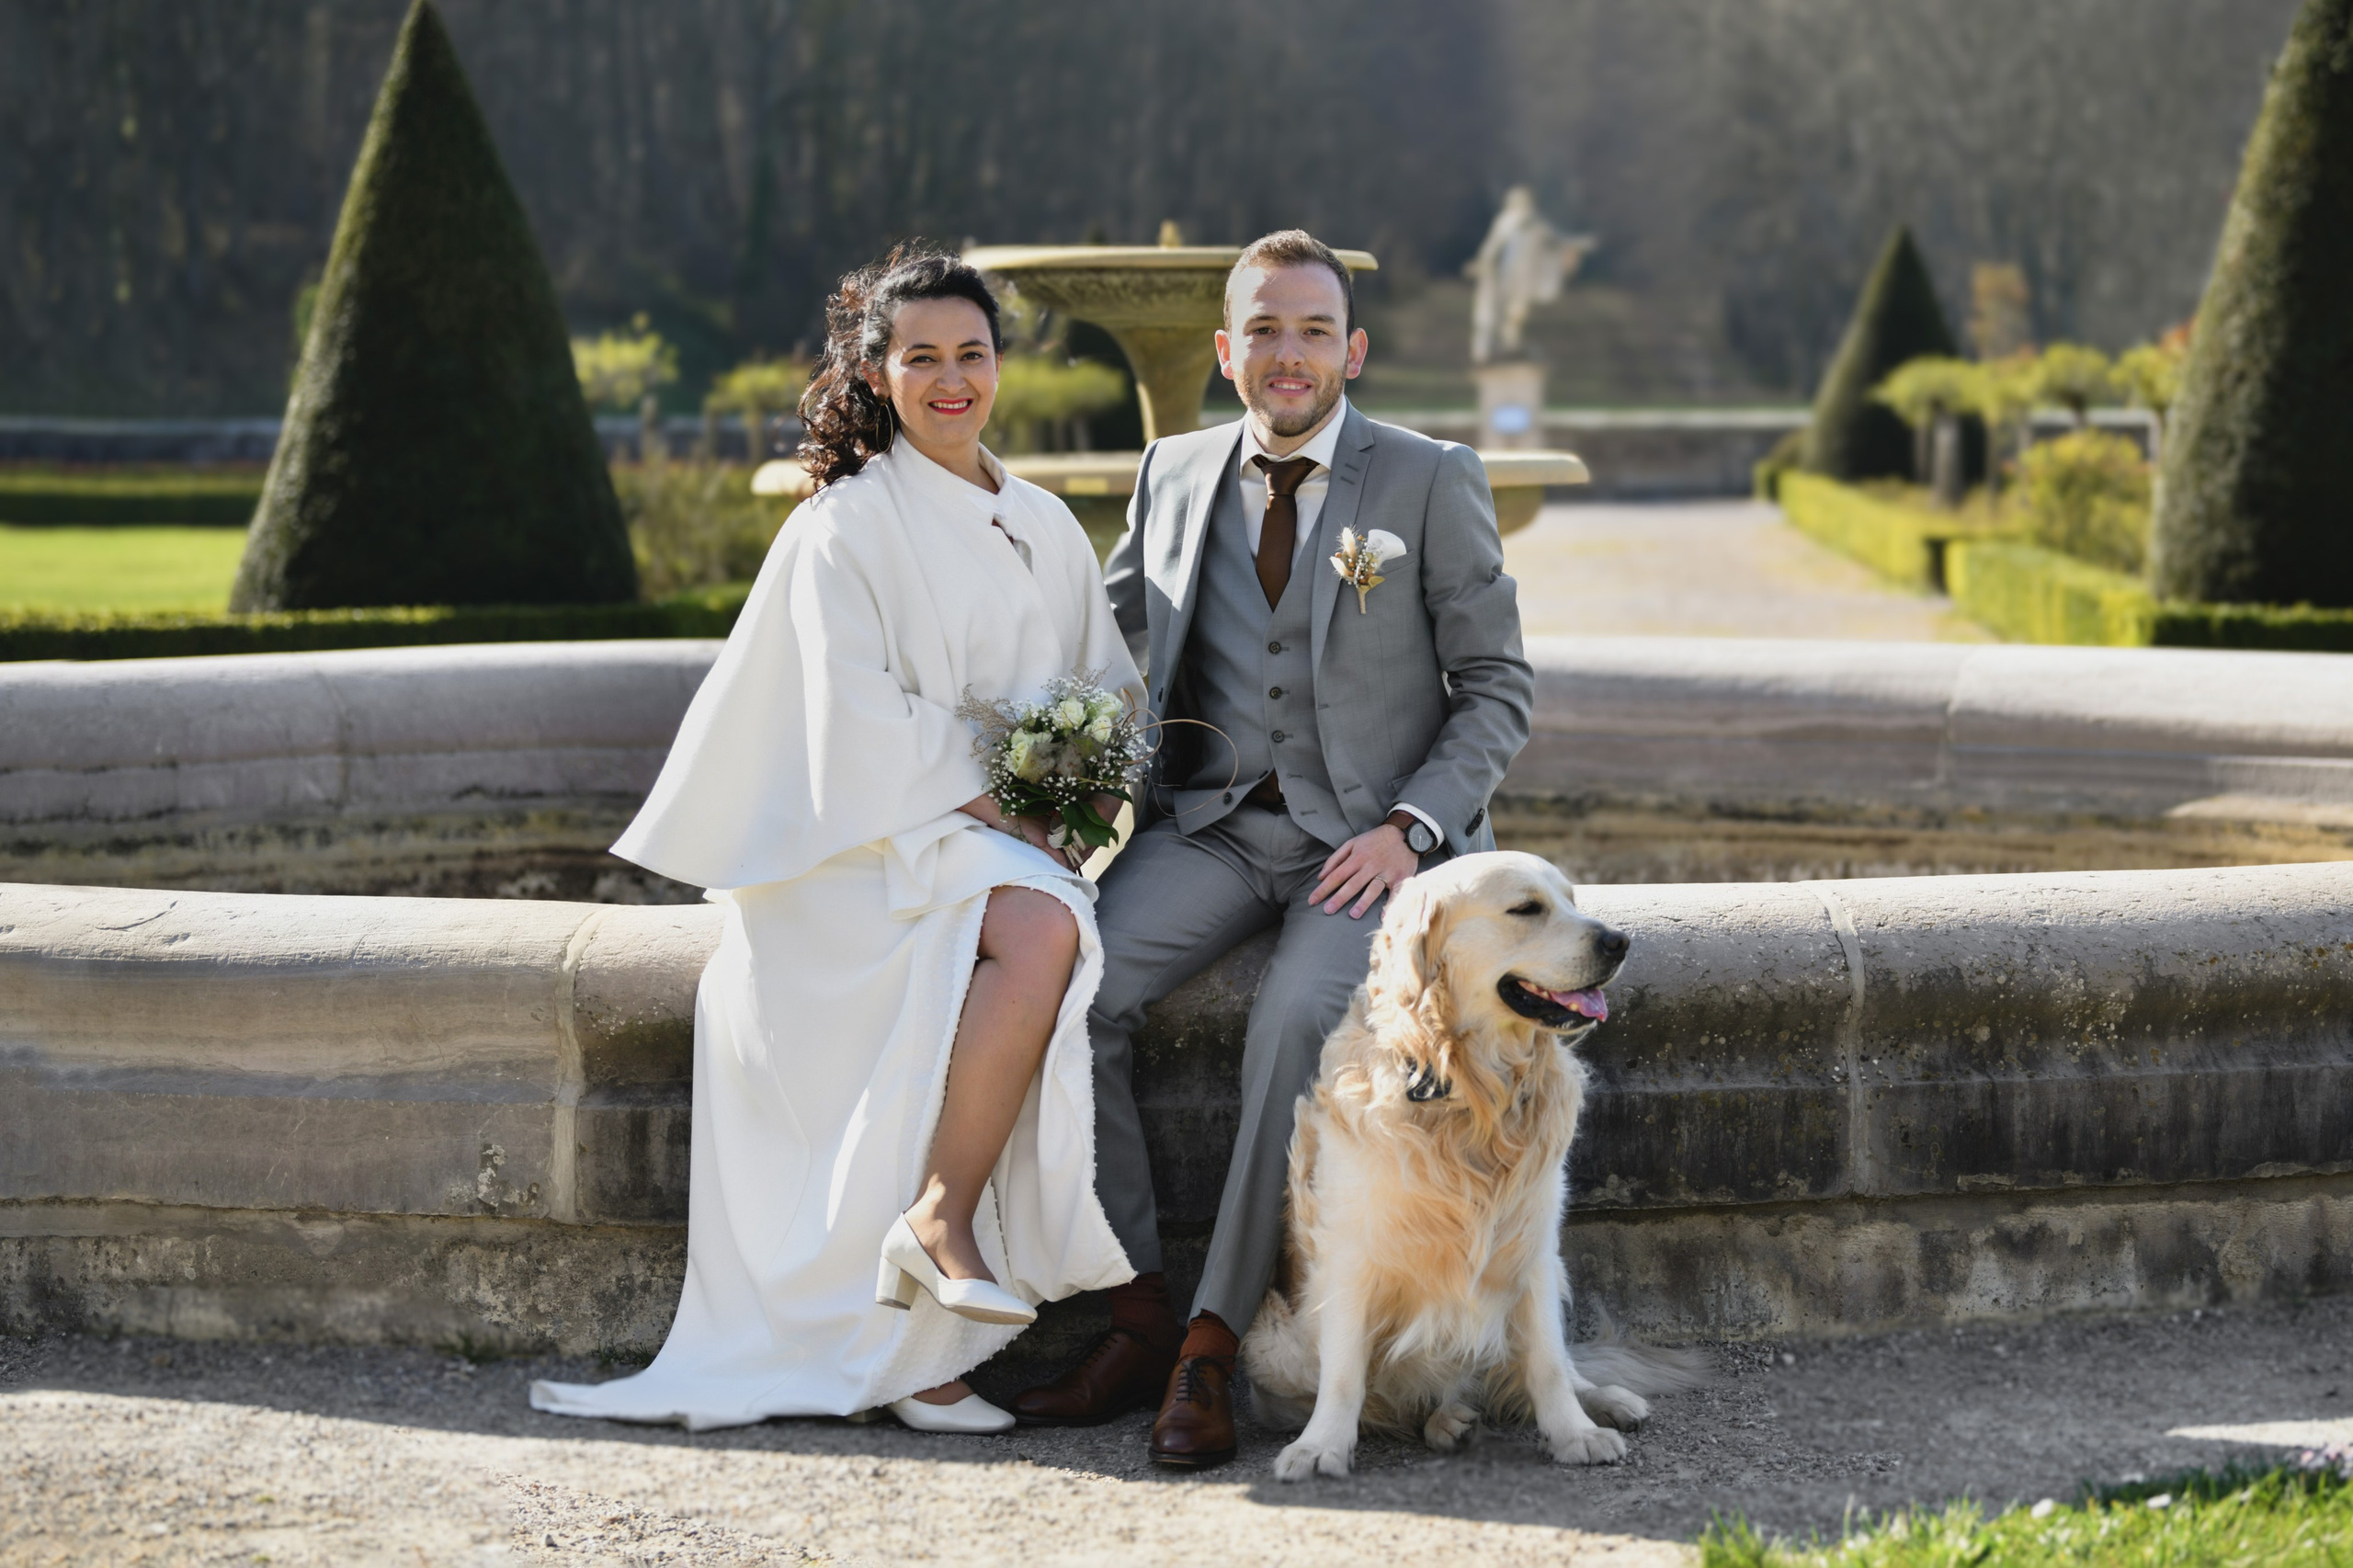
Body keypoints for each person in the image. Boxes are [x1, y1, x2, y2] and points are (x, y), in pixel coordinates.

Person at [530, 247, 1142, 1436]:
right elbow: (855, 722)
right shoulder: (843, 528)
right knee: (1040, 920)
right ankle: (940, 1217)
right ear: (877, 370)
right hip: (855, 848)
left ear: (1000, 364)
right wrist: (1013, 810)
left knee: (1043, 907)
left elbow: (1105, 684)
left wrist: (1084, 789)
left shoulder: (1046, 522)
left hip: (971, 832)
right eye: (922, 357)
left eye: (972, 353)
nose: (951, 379)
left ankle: (921, 1357)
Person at [1008, 230, 1535, 1465]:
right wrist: (1044, 807)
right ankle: (1132, 1304)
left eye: (1311, 330)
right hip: (1216, 828)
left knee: (1295, 1021)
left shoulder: (1428, 478)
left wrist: (1411, 828)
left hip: (1368, 846)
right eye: (1263, 330)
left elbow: (1498, 688)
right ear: (1224, 350)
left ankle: (1209, 1337)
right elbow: (1116, 662)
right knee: (1074, 981)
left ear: (1349, 348)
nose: (1286, 354)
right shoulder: (1172, 471)